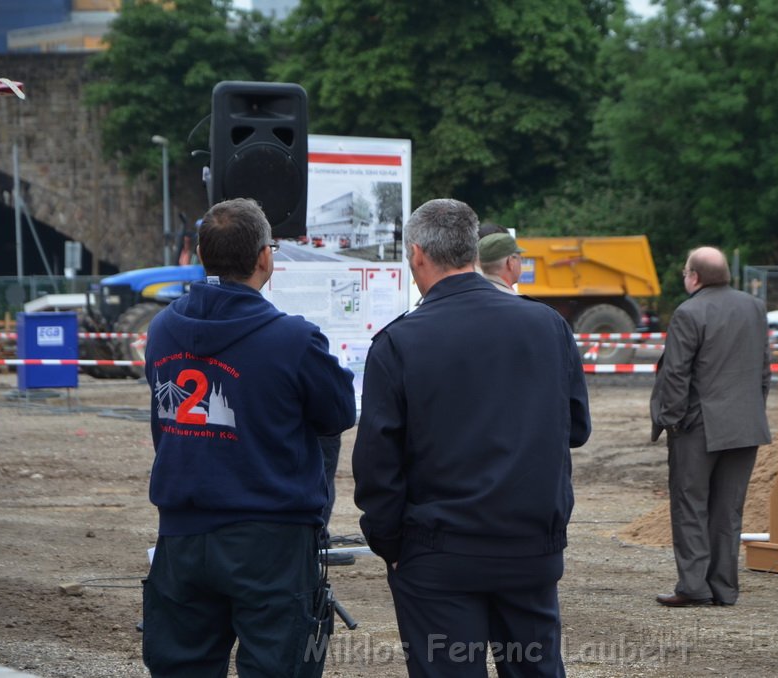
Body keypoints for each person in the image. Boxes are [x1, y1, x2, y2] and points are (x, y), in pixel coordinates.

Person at [352, 198, 591, 677]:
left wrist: (391, 544)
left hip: (438, 553)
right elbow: (577, 428)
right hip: (529, 546)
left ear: (417, 255)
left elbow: (377, 462)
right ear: (472, 250)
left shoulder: (398, 342)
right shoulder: (547, 326)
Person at [142, 198, 357, 677]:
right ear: (265, 258)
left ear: (200, 254)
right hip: (270, 539)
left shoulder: (161, 330)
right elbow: (339, 412)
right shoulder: (293, 339)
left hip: (182, 534)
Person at [649, 246, 771, 607]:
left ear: (695, 277)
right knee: (728, 510)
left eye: (686, 271)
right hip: (746, 425)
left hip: (698, 426)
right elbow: (764, 369)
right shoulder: (754, 307)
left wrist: (670, 420)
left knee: (690, 505)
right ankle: (724, 588)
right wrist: (753, 411)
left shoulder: (689, 312)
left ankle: (693, 586)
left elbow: (675, 374)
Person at [477, 227, 525, 294]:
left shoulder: (467, 294)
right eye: (520, 258)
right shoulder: (520, 302)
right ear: (510, 262)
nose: (521, 263)